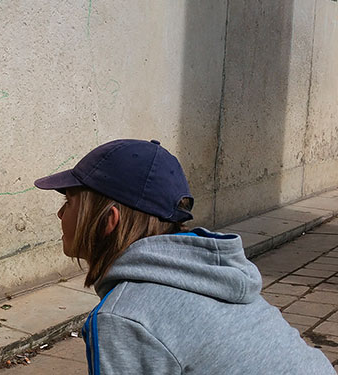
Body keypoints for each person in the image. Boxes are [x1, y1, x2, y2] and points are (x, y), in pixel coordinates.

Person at [33, 139, 335, 375]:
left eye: (69, 201)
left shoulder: (126, 317)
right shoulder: (215, 274)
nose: (60, 214)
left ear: (107, 221)